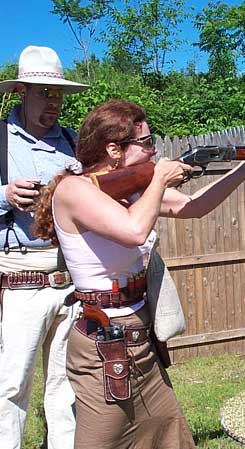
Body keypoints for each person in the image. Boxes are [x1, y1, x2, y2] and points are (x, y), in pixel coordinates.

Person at [33, 99, 245, 449]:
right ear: (113, 149)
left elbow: (194, 206)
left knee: (170, 434)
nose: (154, 150)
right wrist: (161, 178)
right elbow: (134, 231)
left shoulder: (135, 190)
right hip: (102, 345)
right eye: (147, 142)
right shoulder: (74, 190)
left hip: (140, 337)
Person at [0, 45, 89, 449]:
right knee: (12, 385)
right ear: (21, 91)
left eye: (57, 94)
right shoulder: (0, 139)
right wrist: (4, 194)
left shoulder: (72, 142)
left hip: (69, 277)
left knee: (65, 383)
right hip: (18, 279)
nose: (53, 103)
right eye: (43, 93)